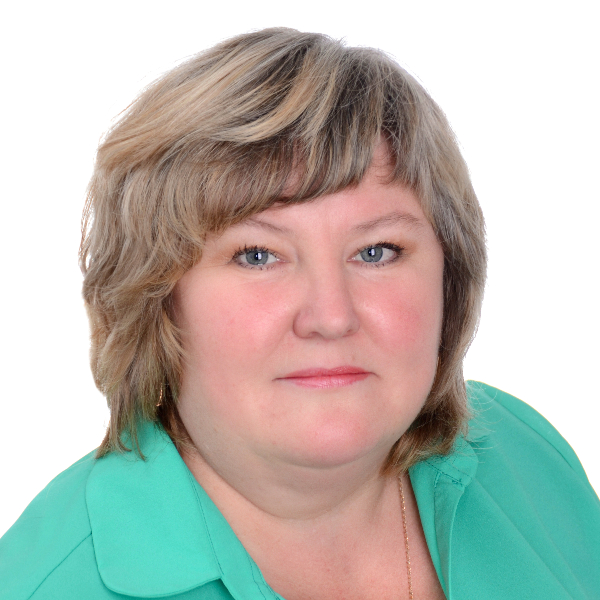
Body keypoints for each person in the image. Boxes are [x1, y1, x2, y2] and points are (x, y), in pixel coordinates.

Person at [1, 27, 598, 600]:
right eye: (257, 256)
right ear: (156, 299)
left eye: (377, 251)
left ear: (452, 276)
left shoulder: (520, 451)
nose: (331, 317)